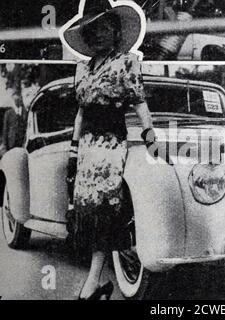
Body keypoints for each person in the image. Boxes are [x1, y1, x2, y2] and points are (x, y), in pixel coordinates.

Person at [61, 0, 155, 300]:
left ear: (115, 31)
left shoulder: (127, 62)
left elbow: (139, 100)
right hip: (87, 146)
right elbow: (80, 112)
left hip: (111, 143)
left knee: (102, 208)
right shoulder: (83, 68)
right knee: (86, 211)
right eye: (93, 29)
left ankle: (91, 284)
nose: (99, 33)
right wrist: (74, 150)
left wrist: (149, 133)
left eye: (104, 27)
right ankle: (98, 285)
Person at [0, 89, 28, 156]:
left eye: (18, 99)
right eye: (15, 100)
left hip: (22, 141)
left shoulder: (25, 112)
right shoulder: (8, 113)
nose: (17, 101)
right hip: (11, 142)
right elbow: (5, 129)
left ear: (21, 98)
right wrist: (5, 145)